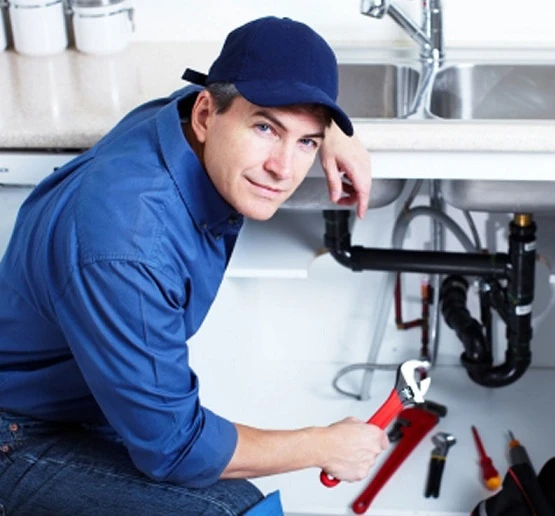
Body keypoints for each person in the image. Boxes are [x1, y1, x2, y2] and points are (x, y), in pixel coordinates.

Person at [0, 16, 389, 515]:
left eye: (305, 142)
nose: (283, 169)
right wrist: (322, 445)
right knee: (235, 510)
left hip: (83, 393)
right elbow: (176, 448)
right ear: (206, 115)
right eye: (265, 128)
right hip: (19, 433)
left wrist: (328, 133)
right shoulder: (129, 247)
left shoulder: (177, 121)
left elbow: (240, 100)